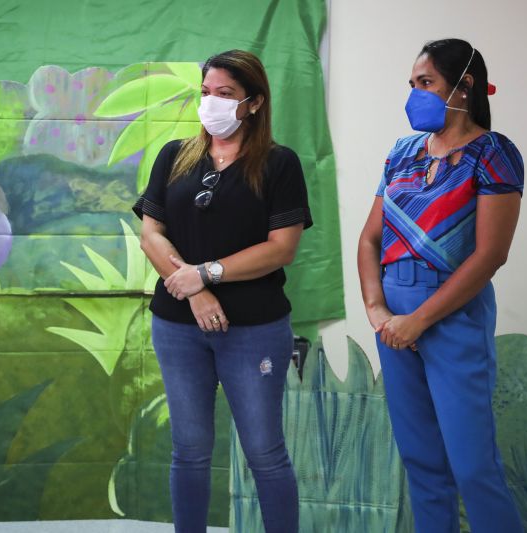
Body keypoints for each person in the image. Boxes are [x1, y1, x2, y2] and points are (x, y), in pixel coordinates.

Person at [134, 49, 311, 533]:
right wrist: (193, 289)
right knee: (189, 451)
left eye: (225, 94)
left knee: (264, 452)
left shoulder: (279, 164)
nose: (211, 103)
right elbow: (152, 235)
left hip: (254, 329)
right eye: (206, 92)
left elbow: (281, 249)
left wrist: (207, 273)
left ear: (253, 103)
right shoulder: (175, 156)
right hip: (177, 324)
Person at [357, 39, 524, 533]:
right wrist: (376, 309)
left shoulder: (493, 154)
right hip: (392, 320)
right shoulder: (402, 154)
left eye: (425, 83)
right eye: (412, 85)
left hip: (451, 316)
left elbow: (491, 254)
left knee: (473, 466)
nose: (415, 94)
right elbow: (369, 240)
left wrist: (419, 320)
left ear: (464, 86)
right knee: (422, 463)